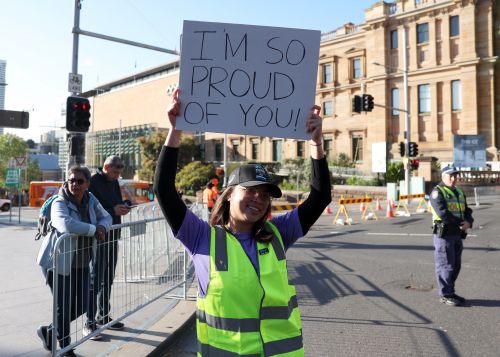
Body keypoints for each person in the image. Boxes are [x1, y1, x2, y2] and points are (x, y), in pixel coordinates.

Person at [154, 89, 332, 356]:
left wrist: (317, 145)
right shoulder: (201, 237)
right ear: (227, 196)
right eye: (249, 190)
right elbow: (164, 190)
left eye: (264, 195)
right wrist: (175, 131)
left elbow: (320, 198)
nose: (258, 199)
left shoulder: (278, 234)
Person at [36, 166, 111, 356]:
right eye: (71, 180)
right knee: (64, 305)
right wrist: (95, 230)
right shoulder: (59, 201)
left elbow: (107, 216)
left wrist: (102, 225)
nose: (75, 184)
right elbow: (64, 224)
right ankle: (66, 348)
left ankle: (50, 331)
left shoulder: (90, 199)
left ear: (87, 184)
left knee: (84, 304)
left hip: (82, 262)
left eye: (79, 181)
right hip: (58, 262)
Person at [87, 155, 130, 334]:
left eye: (120, 172)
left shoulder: (114, 182)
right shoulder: (93, 181)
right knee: (96, 278)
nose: (118, 175)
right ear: (105, 167)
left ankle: (103, 315)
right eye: (115, 171)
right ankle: (90, 321)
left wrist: (125, 205)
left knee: (108, 277)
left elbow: (113, 202)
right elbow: (91, 207)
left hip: (113, 235)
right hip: (100, 236)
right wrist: (113, 210)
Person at [430, 165, 473, 306]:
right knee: (445, 265)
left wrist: (469, 222)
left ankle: (450, 291)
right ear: (443, 176)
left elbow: (467, 210)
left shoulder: (459, 192)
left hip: (457, 234)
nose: (454, 178)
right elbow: (442, 213)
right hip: (445, 234)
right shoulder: (438, 192)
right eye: (450, 176)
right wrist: (461, 222)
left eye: (456, 175)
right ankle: (445, 294)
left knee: (455, 266)